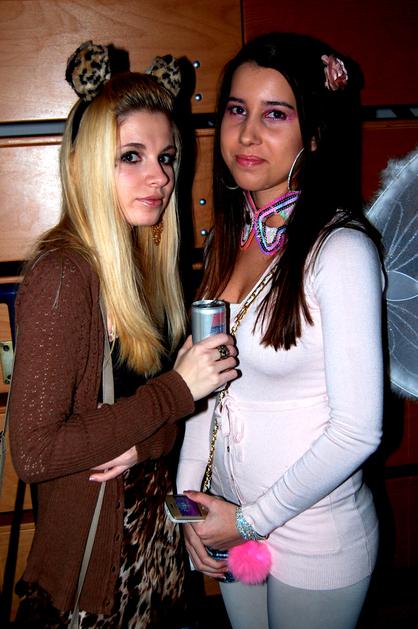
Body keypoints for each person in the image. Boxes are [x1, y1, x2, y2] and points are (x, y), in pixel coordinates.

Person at [8, 42, 237, 628]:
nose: (159, 177)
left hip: (154, 559)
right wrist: (174, 392)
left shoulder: (144, 272)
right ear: (89, 164)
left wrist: (147, 440)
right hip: (100, 584)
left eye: (166, 157)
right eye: (131, 156)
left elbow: (160, 425)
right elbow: (33, 452)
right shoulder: (64, 276)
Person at [176, 32, 384, 629]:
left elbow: (358, 430)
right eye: (237, 110)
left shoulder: (340, 251)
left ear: (313, 135)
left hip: (313, 535)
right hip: (229, 519)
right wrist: (190, 505)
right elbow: (206, 389)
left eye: (275, 114)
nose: (247, 135)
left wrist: (247, 521)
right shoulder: (230, 240)